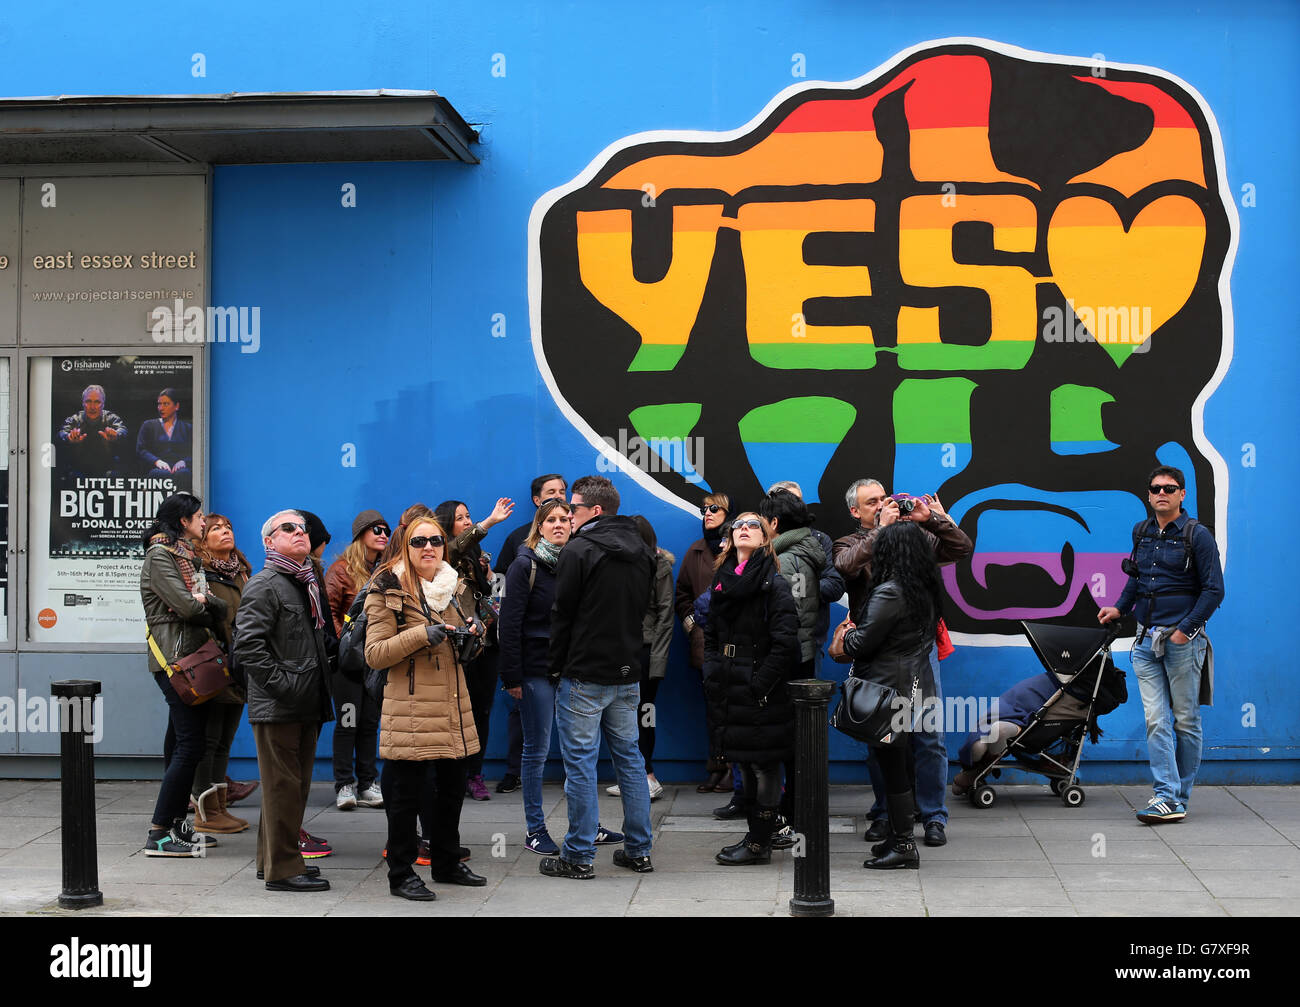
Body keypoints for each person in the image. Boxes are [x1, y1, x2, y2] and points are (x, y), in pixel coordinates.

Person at [833, 478, 972, 848]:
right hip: (876, 651)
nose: (882, 504)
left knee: (928, 735)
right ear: (856, 511)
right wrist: (881, 532)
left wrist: (933, 520)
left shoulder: (915, 537)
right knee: (880, 733)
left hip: (918, 647)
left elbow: (960, 547)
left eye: (885, 498)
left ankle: (932, 815)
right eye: (872, 501)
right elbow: (844, 566)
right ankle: (886, 813)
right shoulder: (850, 542)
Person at [364, 516, 486, 900]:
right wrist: (421, 634)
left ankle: (447, 863)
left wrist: (475, 636)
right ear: (405, 547)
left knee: (451, 792)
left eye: (435, 540)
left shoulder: (451, 584)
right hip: (411, 709)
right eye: (419, 542)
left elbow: (460, 649)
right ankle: (400, 874)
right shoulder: (388, 588)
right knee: (405, 797)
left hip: (452, 705)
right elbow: (375, 654)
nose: (429, 548)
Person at [541, 475, 656, 879]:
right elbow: (643, 609)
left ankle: (577, 856)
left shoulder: (579, 549)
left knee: (581, 766)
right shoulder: (643, 550)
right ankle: (639, 850)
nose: (568, 514)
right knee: (630, 761)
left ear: (595, 510)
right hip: (626, 671)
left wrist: (556, 666)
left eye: (573, 508)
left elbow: (563, 614)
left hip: (584, 673)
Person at [1099, 465, 1224, 824]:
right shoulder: (1142, 532)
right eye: (1156, 488)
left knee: (1185, 721)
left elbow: (1214, 590)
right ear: (1149, 494)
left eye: (1170, 488)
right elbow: (1136, 580)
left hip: (1182, 642)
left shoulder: (1197, 536)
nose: (1162, 493)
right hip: (1144, 642)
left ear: (1182, 494)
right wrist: (1119, 608)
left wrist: (1185, 630)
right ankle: (1166, 795)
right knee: (1156, 720)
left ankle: (1178, 796)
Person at [234, 510, 335, 892]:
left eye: (302, 528)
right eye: (287, 528)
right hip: (281, 703)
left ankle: (274, 861)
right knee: (283, 787)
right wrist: (285, 686)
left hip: (306, 700)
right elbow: (248, 646)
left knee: (292, 788)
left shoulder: (305, 581)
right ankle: (283, 871)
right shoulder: (265, 584)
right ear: (269, 542)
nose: (299, 533)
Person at [838, 521, 944, 870]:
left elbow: (864, 644)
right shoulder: (924, 590)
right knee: (897, 761)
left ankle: (902, 844)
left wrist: (847, 635)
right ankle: (898, 838)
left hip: (884, 689)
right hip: (910, 687)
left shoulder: (890, 591)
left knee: (893, 765)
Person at [703, 511, 800, 865]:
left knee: (763, 765)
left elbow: (785, 642)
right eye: (738, 526)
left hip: (761, 688)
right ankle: (758, 834)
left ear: (765, 539)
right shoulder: (722, 581)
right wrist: (713, 668)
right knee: (742, 762)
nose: (744, 529)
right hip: (728, 683)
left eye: (753, 526)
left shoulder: (775, 584)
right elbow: (710, 633)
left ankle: (759, 843)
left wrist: (760, 683)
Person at [139, 492, 227, 857]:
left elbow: (213, 603)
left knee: (181, 742)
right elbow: (191, 606)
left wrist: (207, 605)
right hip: (176, 661)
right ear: (182, 522)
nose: (204, 521)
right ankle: (159, 833)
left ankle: (176, 825)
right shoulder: (160, 557)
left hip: (194, 657)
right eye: (199, 516)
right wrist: (206, 605)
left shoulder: (188, 556)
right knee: (190, 744)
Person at [499, 497, 572, 855]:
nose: (559, 524)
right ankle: (535, 828)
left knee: (578, 750)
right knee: (537, 750)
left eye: (565, 519)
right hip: (533, 671)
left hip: (569, 670)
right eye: (552, 520)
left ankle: (585, 822)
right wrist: (511, 676)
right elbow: (508, 625)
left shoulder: (573, 563)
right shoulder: (523, 565)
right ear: (539, 526)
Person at [435, 497, 514, 801]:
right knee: (454, 710)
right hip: (457, 644)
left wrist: (492, 579)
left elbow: (492, 601)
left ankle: (475, 774)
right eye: (461, 518)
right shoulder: (445, 555)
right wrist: (489, 522)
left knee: (481, 711)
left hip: (485, 643)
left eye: (469, 516)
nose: (467, 521)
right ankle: (451, 774)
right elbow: (453, 547)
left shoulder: (476, 557)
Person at [491, 474, 566, 793]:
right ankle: (513, 771)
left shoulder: (574, 549)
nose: (558, 497)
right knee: (523, 721)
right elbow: (499, 586)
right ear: (536, 502)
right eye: (550, 494)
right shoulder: (519, 544)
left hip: (567, 661)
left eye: (563, 493)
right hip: (532, 660)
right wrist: (512, 673)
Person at [190, 514, 253, 835]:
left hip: (239, 664)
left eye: (228, 527)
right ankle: (205, 811)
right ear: (203, 540)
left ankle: (220, 807)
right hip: (215, 664)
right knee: (209, 739)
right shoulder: (201, 571)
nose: (224, 531)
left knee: (225, 740)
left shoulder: (242, 572)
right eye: (215, 528)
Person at [325, 508, 390, 812]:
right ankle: (344, 784)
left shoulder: (387, 570)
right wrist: (346, 644)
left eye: (386, 530)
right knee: (348, 721)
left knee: (369, 723)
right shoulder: (341, 570)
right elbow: (330, 611)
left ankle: (367, 782)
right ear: (360, 535)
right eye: (376, 529)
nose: (382, 534)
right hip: (349, 664)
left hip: (376, 659)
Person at [607, 516, 674, 802]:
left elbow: (665, 614)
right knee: (622, 715)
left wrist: (657, 660)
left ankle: (648, 775)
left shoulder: (659, 566)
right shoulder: (617, 564)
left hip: (646, 651)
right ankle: (631, 776)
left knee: (645, 713)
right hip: (620, 650)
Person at [674, 491, 733, 794]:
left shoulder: (738, 547)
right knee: (713, 711)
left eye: (714, 509)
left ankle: (733, 772)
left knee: (733, 709)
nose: (707, 514)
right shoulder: (695, 551)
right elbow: (682, 593)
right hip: (705, 643)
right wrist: (691, 624)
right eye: (703, 510)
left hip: (736, 645)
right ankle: (716, 767)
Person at [766, 480, 845, 676]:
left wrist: (799, 587)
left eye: (797, 501)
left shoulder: (819, 540)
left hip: (809, 642)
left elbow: (835, 585)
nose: (792, 508)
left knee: (805, 702)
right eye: (785, 501)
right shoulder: (757, 540)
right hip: (764, 642)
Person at [57, 384, 127, 477]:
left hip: (107, 470)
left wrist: (116, 435)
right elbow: (62, 432)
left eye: (97, 402)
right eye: (88, 401)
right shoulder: (75, 419)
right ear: (83, 403)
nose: (92, 407)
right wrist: (68, 437)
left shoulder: (111, 418)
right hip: (78, 470)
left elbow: (122, 430)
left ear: (103, 404)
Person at [136, 387, 193, 476]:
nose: (161, 408)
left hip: (181, 470)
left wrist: (184, 462)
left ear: (176, 406)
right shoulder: (148, 425)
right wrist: (156, 461)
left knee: (184, 474)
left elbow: (193, 452)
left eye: (166, 404)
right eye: (159, 404)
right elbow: (141, 450)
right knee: (159, 474)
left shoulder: (187, 428)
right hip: (156, 469)